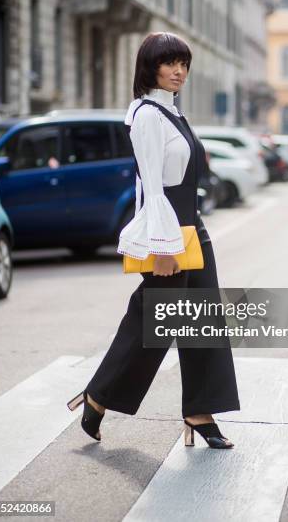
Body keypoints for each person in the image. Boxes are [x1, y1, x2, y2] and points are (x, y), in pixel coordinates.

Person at [67, 32, 240, 449]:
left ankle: (199, 411)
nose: (179, 70)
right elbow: (152, 187)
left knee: (202, 322)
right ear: (150, 68)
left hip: (191, 229)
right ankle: (98, 395)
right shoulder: (146, 114)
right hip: (169, 232)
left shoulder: (173, 113)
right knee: (153, 324)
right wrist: (163, 247)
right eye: (169, 63)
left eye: (183, 63)